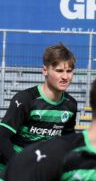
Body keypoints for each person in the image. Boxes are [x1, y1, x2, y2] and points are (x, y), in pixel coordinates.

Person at [0, 43, 79, 173]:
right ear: (45, 70)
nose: (65, 77)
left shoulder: (70, 104)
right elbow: (2, 136)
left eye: (69, 71)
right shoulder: (25, 99)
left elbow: (67, 141)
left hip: (40, 172)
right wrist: (18, 166)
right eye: (59, 71)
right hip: (10, 170)